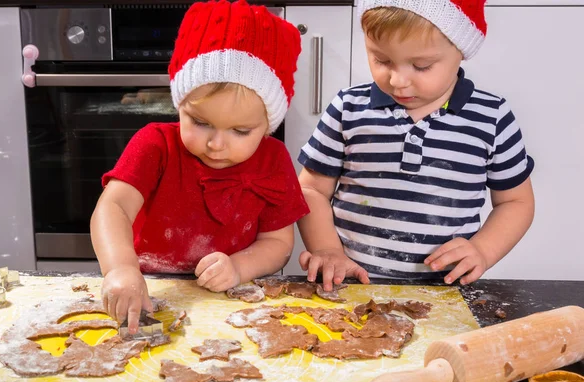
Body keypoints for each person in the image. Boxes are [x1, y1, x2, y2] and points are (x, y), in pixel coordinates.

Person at [90, 0, 308, 333]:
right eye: (200, 122)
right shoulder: (155, 144)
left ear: (268, 125)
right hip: (147, 288)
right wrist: (120, 268)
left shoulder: (273, 160)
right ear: (180, 105)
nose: (217, 144)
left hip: (235, 299)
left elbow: (278, 243)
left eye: (240, 131)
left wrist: (237, 267)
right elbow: (113, 206)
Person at [297, 0, 535, 290]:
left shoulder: (491, 117)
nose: (398, 81)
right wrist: (327, 250)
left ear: (460, 52)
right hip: (352, 285)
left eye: (421, 66)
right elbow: (311, 190)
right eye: (381, 60)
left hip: (443, 292)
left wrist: (484, 250)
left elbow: (515, 202)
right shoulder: (349, 108)